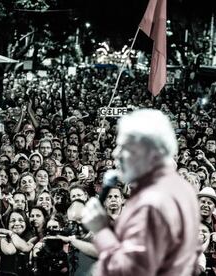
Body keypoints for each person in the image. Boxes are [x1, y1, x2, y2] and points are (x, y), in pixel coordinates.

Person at [81, 109, 200, 275]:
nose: (116, 154)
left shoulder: (151, 203)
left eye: (124, 147)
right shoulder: (181, 187)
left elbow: (131, 271)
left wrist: (101, 231)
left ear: (148, 152)